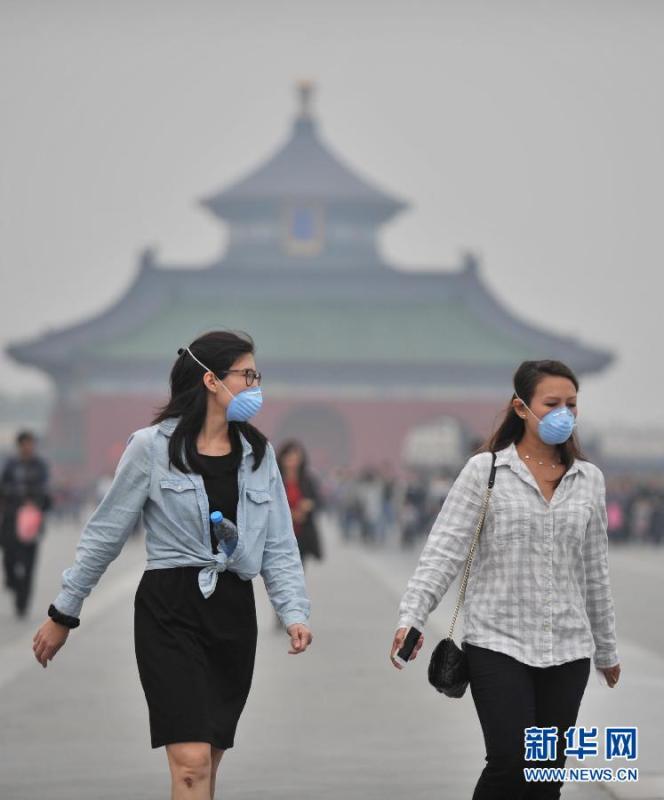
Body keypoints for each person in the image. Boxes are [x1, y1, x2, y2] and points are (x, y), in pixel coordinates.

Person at [32, 331, 313, 800]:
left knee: (208, 763)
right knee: (190, 764)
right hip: (170, 610)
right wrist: (64, 612)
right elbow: (105, 533)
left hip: (232, 613)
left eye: (256, 375)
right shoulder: (151, 448)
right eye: (246, 375)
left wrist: (294, 611)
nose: (255, 386)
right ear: (211, 380)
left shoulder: (259, 455)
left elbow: (280, 544)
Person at [390, 360, 620, 800]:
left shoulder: (589, 480)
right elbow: (443, 551)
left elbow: (595, 572)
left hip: (568, 648)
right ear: (521, 407)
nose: (564, 414)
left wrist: (606, 649)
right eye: (551, 404)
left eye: (571, 404)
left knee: (546, 774)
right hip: (498, 641)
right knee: (510, 762)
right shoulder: (486, 471)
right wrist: (412, 617)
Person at [1, 430, 51, 617]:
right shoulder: (11, 465)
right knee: (9, 557)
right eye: (26, 443)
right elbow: (2, 487)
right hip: (11, 519)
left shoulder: (40, 466)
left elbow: (45, 491)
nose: (29, 447)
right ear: (20, 445)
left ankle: (22, 602)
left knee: (29, 563)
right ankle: (12, 582)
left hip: (32, 520)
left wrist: (35, 502)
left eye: (32, 443)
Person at [276, 439, 323, 568]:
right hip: (279, 535)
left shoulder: (307, 480)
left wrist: (309, 505)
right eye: (289, 457)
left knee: (298, 570)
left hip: (302, 534)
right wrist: (290, 514)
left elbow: (318, 501)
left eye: (296, 458)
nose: (292, 461)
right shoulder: (274, 479)